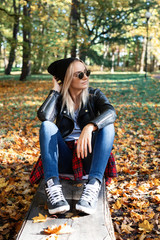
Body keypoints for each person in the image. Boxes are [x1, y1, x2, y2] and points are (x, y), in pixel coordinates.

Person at [37, 57, 116, 215]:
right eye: (79, 75)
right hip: (64, 158)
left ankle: (93, 184)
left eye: (86, 72)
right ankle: (53, 187)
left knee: (108, 126)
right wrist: (54, 92)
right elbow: (44, 116)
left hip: (88, 157)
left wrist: (90, 126)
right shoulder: (59, 99)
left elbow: (111, 112)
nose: (85, 77)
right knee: (47, 126)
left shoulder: (94, 95)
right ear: (67, 78)